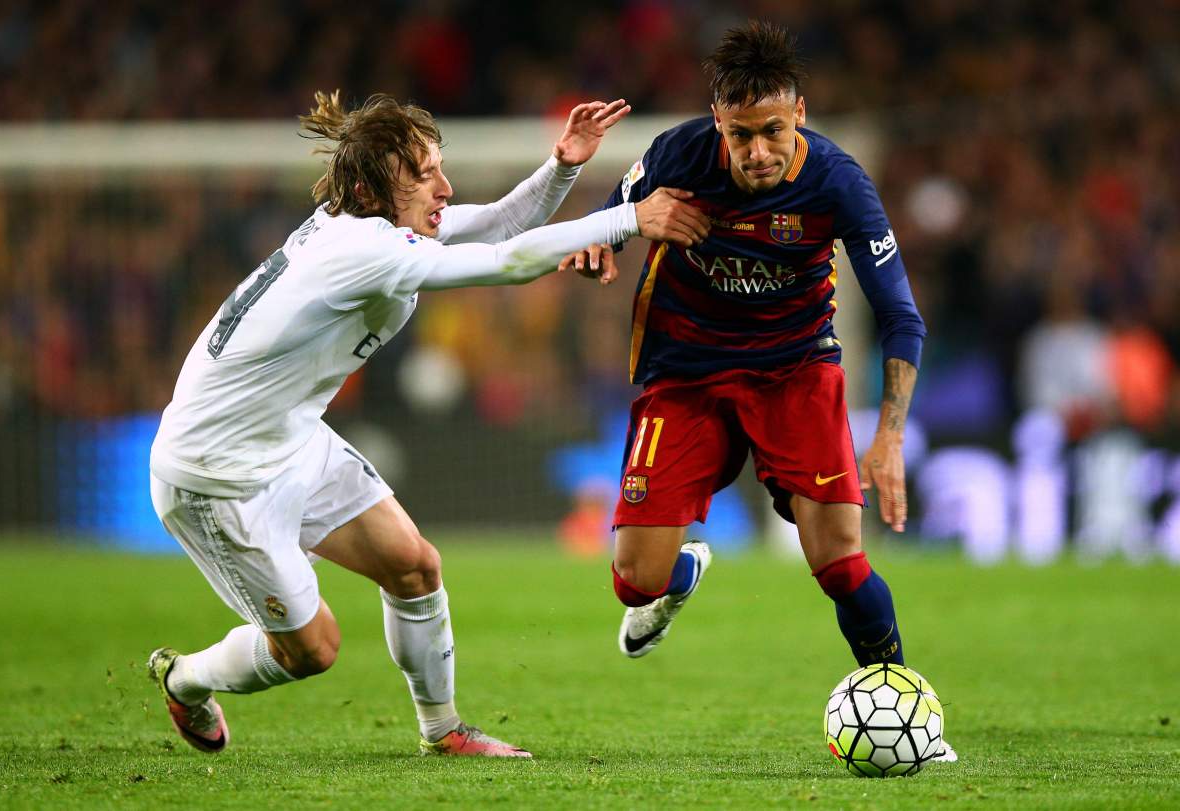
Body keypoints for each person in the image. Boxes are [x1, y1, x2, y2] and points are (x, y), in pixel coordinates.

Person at [146, 90, 707, 758]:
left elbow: (499, 225)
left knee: (413, 567)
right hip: (216, 473)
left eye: (439, 167)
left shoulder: (369, 226)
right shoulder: (362, 251)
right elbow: (508, 263)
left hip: (287, 438)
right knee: (312, 650)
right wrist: (628, 219)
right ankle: (185, 678)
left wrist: (563, 166)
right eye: (422, 175)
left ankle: (444, 732)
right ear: (369, 188)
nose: (445, 188)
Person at [567, 21, 954, 761]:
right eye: (740, 135)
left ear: (798, 113)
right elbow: (608, 218)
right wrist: (599, 243)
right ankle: (680, 573)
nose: (757, 152)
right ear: (718, 122)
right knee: (635, 582)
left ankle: (910, 713)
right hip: (684, 374)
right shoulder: (678, 153)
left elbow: (902, 317)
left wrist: (890, 435)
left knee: (841, 563)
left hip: (794, 373)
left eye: (773, 131)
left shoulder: (838, 180)